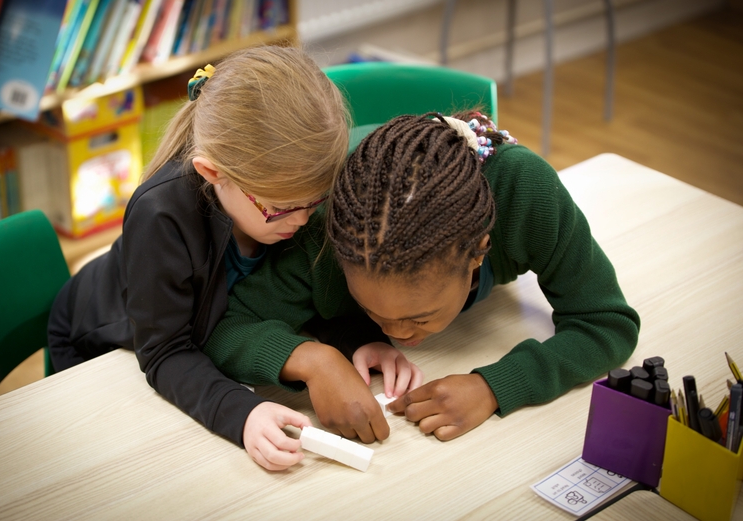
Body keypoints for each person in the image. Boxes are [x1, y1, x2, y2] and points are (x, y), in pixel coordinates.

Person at [46, 46, 418, 471]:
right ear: (212, 173)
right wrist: (242, 413)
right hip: (98, 344)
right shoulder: (160, 216)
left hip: (200, 339)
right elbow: (166, 350)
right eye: (281, 207)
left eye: (313, 202)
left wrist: (360, 338)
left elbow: (308, 290)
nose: (301, 220)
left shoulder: (292, 193)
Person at [202, 110, 640, 443]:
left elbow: (605, 321)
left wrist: (496, 385)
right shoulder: (330, 225)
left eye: (420, 317)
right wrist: (315, 361)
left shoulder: (525, 191)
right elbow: (224, 325)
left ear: (478, 253)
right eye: (371, 309)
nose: (395, 332)